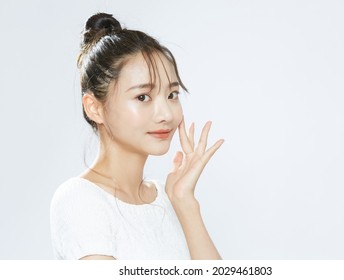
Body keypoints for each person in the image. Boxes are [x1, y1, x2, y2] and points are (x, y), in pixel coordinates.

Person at [50, 13, 224, 260]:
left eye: (172, 95)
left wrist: (185, 203)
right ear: (94, 107)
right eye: (143, 97)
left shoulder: (168, 197)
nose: (165, 114)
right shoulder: (80, 199)